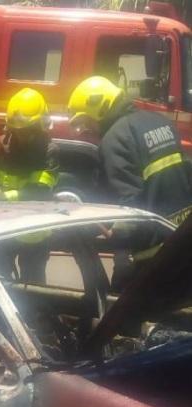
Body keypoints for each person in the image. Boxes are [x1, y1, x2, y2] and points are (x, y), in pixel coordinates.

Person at [68, 76, 192, 289]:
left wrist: (116, 235)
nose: (88, 129)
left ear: (101, 109)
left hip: (152, 250)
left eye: (87, 122)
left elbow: (129, 200)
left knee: (122, 307)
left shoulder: (115, 138)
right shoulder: (159, 121)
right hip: (182, 234)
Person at [0, 88, 59, 284]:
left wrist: (5, 197)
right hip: (2, 228)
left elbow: (40, 192)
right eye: (18, 131)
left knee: (33, 284)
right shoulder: (2, 144)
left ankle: (37, 313)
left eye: (28, 131)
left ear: (40, 126)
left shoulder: (50, 151)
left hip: (34, 233)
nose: (22, 136)